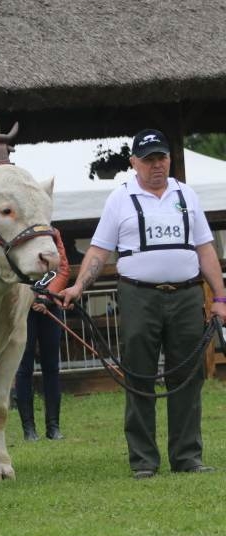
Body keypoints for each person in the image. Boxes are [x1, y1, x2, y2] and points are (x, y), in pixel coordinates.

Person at [60, 129, 226, 479]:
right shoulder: (119, 199)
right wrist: (77, 286)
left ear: (169, 159)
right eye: (149, 159)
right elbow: (100, 250)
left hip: (185, 294)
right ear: (134, 162)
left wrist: (220, 297)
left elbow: (206, 248)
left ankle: (187, 456)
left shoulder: (187, 195)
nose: (156, 165)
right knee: (139, 374)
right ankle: (143, 460)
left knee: (188, 376)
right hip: (139, 295)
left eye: (161, 157)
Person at [15, 229, 70, 441]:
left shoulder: (54, 233)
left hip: (50, 305)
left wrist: (46, 297)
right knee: (24, 368)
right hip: (24, 308)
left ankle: (53, 426)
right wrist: (31, 297)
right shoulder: (18, 232)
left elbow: (62, 268)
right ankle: (29, 429)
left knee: (52, 367)